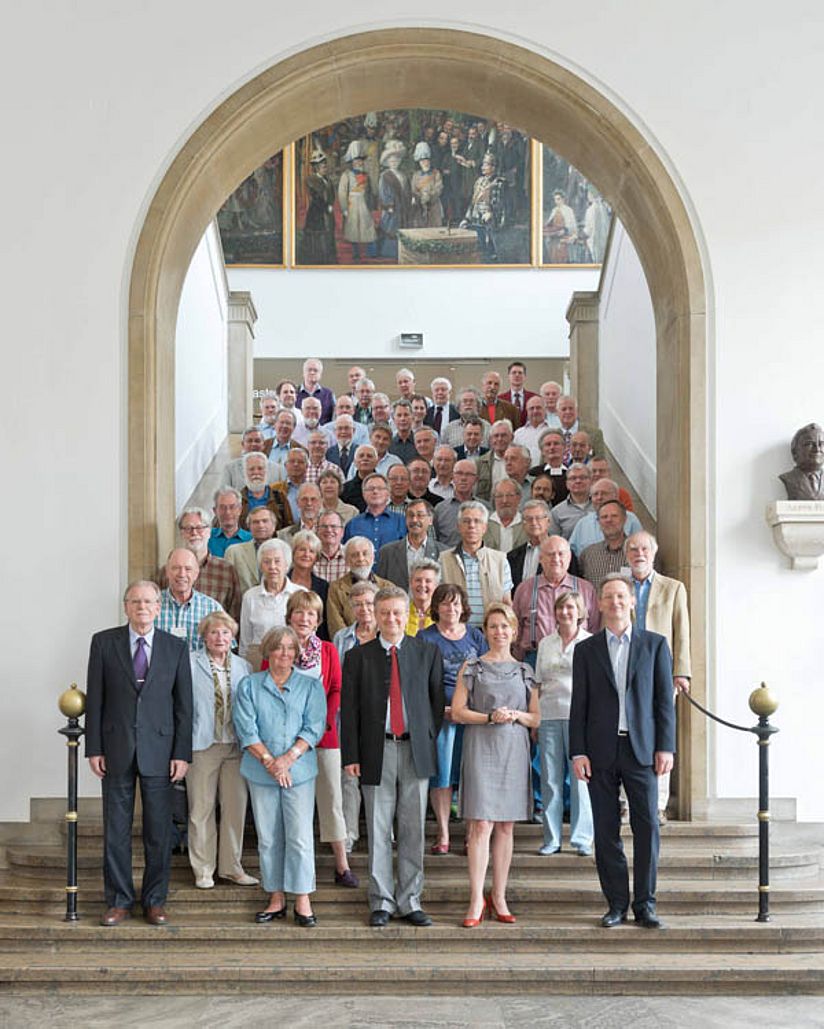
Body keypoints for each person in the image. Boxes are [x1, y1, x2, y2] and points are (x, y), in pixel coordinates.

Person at [570, 575, 676, 929]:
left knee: (647, 827)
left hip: (641, 749)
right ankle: (616, 903)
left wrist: (666, 746)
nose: (614, 602)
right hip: (600, 750)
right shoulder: (586, 650)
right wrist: (578, 751)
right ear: (598, 604)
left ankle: (645, 903)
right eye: (608, 597)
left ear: (632, 601)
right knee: (605, 829)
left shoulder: (655, 645)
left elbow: (664, 703)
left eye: (621, 596)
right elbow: (578, 705)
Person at [85, 580, 193, 926]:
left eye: (148, 601)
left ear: (159, 607)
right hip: (115, 749)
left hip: (161, 753)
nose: (142, 607)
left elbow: (183, 707)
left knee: (158, 832)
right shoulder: (103, 642)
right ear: (126, 606)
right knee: (116, 829)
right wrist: (94, 747)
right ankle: (118, 900)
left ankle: (154, 900)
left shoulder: (176, 647)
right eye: (135, 601)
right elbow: (96, 699)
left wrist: (182, 753)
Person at [341, 586, 445, 927]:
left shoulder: (426, 652)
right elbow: (350, 710)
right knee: (378, 825)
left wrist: (425, 740)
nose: (391, 619)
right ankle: (381, 901)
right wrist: (352, 754)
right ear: (375, 613)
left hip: (415, 750)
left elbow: (434, 706)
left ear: (408, 614)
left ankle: (410, 900)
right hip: (376, 750)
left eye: (397, 612)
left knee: (413, 827)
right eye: (384, 612)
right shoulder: (359, 656)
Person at [451, 602, 540, 927]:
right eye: (493, 626)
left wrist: (516, 716)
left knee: (505, 826)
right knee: (480, 825)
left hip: (513, 749)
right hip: (481, 745)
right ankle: (477, 898)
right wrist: (489, 717)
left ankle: (499, 895)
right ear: (485, 631)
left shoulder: (525, 671)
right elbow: (458, 711)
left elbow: (536, 717)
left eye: (505, 626)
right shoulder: (471, 666)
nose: (499, 632)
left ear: (514, 631)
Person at [232, 626, 326, 926]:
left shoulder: (311, 686)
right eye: (278, 647)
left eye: (290, 648)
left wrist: (287, 759)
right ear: (268, 651)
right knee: (269, 838)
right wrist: (271, 762)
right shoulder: (249, 685)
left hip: (298, 772)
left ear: (296, 654)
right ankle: (275, 897)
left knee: (298, 837)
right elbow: (246, 729)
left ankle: (302, 898)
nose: (284, 653)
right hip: (262, 772)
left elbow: (314, 728)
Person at [285, 591, 358, 888]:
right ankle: (301, 870)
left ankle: (342, 866)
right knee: (295, 804)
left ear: (318, 620)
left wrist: (322, 722)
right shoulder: (278, 646)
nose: (305, 618)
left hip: (325, 736)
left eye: (311, 614)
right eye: (299, 613)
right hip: (288, 740)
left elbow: (337, 688)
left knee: (331, 799)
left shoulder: (327, 650)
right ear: (289, 616)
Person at [186, 611, 257, 889]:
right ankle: (203, 869)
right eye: (214, 632)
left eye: (225, 632)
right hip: (203, 744)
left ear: (233, 637)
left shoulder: (244, 667)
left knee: (235, 808)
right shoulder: (190, 663)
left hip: (236, 746)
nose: (220, 637)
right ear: (204, 636)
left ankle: (231, 867)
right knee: (201, 809)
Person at [625, 530, 691, 823]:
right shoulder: (619, 585)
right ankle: (626, 804)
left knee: (660, 733)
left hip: (660, 670)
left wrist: (681, 672)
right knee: (625, 732)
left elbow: (682, 632)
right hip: (623, 666)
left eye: (644, 549)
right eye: (633, 549)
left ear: (653, 553)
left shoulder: (673, 587)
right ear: (627, 554)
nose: (639, 554)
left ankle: (658, 804)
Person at [418, 583, 488, 856]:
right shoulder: (425, 637)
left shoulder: (476, 636)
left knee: (471, 776)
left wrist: (469, 709)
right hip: (441, 719)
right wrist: (441, 709)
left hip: (470, 717)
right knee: (443, 776)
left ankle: (472, 834)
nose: (452, 608)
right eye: (446, 603)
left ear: (464, 606)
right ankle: (444, 832)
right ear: (436, 607)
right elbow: (419, 681)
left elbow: (487, 674)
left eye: (456, 603)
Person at [534, 592, 593, 856]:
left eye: (570, 607)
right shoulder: (546, 643)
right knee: (550, 779)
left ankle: (581, 838)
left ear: (579, 611)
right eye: (560, 608)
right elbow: (537, 684)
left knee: (581, 780)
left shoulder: (590, 643)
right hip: (548, 716)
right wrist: (534, 718)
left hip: (580, 719)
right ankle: (552, 838)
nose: (565, 612)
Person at [332, 580, 379, 855]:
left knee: (377, 778)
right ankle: (349, 833)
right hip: (347, 717)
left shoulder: (387, 635)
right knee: (348, 778)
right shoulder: (342, 638)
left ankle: (381, 833)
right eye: (358, 604)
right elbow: (338, 679)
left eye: (369, 603)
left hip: (379, 718)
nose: (364, 609)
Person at [512, 535, 599, 663]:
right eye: (550, 554)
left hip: (577, 656)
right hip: (533, 658)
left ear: (569, 558)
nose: (556, 559)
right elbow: (515, 628)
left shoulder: (586, 589)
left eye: (561, 554)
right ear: (540, 558)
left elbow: (594, 628)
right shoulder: (525, 589)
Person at [161, 507, 241, 621]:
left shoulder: (226, 570)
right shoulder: (166, 572)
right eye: (188, 528)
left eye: (200, 527)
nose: (194, 533)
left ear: (209, 531)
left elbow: (235, 615)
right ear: (181, 533)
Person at [440, 501, 513, 625]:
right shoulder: (444, 559)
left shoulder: (500, 560)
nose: (471, 526)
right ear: (459, 526)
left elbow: (506, 602)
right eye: (466, 521)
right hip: (456, 631)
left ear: (484, 527)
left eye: (477, 521)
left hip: (490, 633)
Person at [239, 538, 305, 670]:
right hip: (259, 660)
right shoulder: (250, 596)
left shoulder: (300, 594)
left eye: (277, 561)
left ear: (287, 564)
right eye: (266, 562)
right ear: (260, 566)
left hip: (293, 660)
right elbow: (245, 641)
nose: (272, 567)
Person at [157, 548, 223, 651]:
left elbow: (224, 651)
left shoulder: (212, 608)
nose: (182, 574)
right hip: (160, 666)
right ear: (167, 572)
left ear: (196, 574)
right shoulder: (151, 605)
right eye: (176, 568)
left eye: (188, 569)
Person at [326, 536, 392, 637]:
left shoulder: (388, 588)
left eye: (365, 554)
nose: (361, 559)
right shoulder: (336, 589)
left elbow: (393, 620)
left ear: (373, 557)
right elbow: (336, 626)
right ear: (346, 560)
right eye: (354, 555)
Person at [376, 499, 443, 590]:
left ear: (430, 520)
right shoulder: (387, 552)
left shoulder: (443, 552)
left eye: (420, 515)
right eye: (410, 516)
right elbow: (380, 586)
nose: (414, 520)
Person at [569, 479, 643, 557]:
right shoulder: (583, 523)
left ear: (616, 496)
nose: (599, 497)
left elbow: (641, 547)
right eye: (595, 494)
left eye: (604, 493)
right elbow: (572, 552)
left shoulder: (630, 519)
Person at [343, 472, 406, 556]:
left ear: (388, 494)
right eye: (370, 488)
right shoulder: (352, 524)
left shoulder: (402, 521)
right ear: (363, 494)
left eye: (380, 488)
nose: (375, 491)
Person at [579, 500, 633, 590]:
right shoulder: (588, 554)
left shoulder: (639, 552)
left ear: (625, 519)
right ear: (598, 522)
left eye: (614, 516)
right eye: (604, 517)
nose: (609, 520)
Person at [338, 140, 376, 262]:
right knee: (354, 228)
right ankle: (355, 252)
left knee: (367, 226)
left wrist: (371, 205)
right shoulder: (346, 175)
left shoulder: (366, 175)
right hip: (352, 204)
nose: (359, 162)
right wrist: (344, 208)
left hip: (364, 204)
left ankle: (369, 253)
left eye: (360, 160)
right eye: (356, 160)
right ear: (352, 162)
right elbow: (342, 192)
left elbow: (369, 191)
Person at [224, 508, 277, 595]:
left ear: (274, 526)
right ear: (249, 527)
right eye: (256, 522)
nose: (261, 525)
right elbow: (227, 587)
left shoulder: (285, 550)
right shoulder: (234, 552)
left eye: (265, 521)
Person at [300, 149, 336, 265]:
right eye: (322, 166)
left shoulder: (328, 180)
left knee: (329, 233)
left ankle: (329, 258)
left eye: (325, 166)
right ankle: (318, 259)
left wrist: (330, 204)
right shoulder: (311, 180)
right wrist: (326, 207)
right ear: (316, 168)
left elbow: (332, 194)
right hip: (317, 212)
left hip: (327, 211)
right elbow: (317, 198)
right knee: (318, 235)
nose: (325, 168)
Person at [507, 498, 552, 589]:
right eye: (529, 519)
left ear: (548, 522)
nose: (534, 523)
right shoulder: (513, 556)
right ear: (523, 524)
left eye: (538, 518)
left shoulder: (562, 552)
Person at [779, 422, 824, 499]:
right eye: (809, 444)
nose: (817, 449)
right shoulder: (789, 478)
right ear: (795, 452)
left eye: (821, 444)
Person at [549, 463, 594, 539]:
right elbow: (554, 542)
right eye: (573, 478)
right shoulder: (556, 513)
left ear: (591, 481)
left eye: (582, 477)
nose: (578, 481)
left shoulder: (601, 506)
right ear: (567, 484)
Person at [474, 419, 514, 502]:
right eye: (496, 436)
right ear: (491, 439)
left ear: (512, 437)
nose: (499, 439)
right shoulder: (480, 463)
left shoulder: (520, 460)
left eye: (503, 435)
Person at [484, 478, 527, 552]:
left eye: (509, 495)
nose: (504, 500)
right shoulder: (483, 523)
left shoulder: (527, 524)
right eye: (499, 496)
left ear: (518, 498)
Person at [209, 488, 252, 558]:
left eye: (232, 507)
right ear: (215, 511)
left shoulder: (251, 540)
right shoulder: (206, 537)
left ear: (240, 510)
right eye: (222, 507)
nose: (227, 512)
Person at [405, 558, 440, 635]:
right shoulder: (402, 612)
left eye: (428, 581)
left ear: (436, 585)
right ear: (410, 583)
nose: (422, 585)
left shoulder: (442, 614)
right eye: (418, 580)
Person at [296, 358, 335, 424]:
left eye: (315, 370)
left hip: (322, 432)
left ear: (320, 375)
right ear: (303, 373)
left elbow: (334, 417)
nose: (312, 372)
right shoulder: (294, 393)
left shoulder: (329, 394)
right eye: (309, 370)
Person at [499, 360, 537, 427]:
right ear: (509, 376)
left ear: (525, 376)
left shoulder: (534, 398)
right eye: (514, 373)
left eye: (520, 373)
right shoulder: (500, 399)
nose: (517, 375)